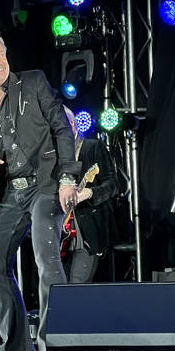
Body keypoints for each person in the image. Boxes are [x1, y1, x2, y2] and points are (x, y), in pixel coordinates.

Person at [0, 27, 80, 351]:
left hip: (45, 184)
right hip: (9, 192)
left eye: (2, 54)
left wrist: (68, 177)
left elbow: (62, 128)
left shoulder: (34, 82)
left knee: (46, 258)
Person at [60, 108, 124, 284]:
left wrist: (91, 193)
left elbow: (114, 185)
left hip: (86, 233)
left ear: (72, 125)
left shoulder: (92, 147)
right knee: (57, 290)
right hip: (59, 233)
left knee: (76, 288)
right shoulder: (51, 155)